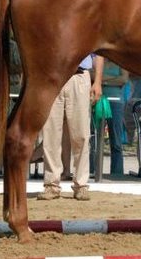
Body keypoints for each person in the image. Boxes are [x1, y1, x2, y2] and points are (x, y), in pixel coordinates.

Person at [37, 54, 103, 201]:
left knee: (81, 135)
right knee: (50, 133)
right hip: (52, 75)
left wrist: (97, 81)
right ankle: (51, 184)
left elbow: (98, 53)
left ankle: (81, 184)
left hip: (78, 74)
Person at [101, 59, 130, 176]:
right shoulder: (97, 61)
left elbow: (123, 79)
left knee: (116, 140)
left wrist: (102, 80)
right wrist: (113, 80)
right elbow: (90, 74)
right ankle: (92, 170)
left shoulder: (121, 62)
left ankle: (117, 173)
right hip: (99, 101)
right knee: (94, 139)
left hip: (116, 103)